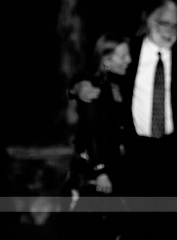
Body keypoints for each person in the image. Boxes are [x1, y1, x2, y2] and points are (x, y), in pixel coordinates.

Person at [121, 0, 177, 240]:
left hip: (173, 145)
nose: (170, 31)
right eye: (164, 23)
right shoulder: (129, 49)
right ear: (149, 21)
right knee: (138, 218)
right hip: (136, 145)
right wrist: (78, 86)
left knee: (171, 219)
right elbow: (99, 67)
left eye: (175, 25)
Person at [66, 32, 132, 240]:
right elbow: (89, 131)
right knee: (97, 225)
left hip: (117, 165)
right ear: (106, 59)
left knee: (117, 225)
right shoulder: (93, 87)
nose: (129, 60)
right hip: (99, 167)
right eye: (123, 56)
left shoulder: (120, 83)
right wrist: (99, 170)